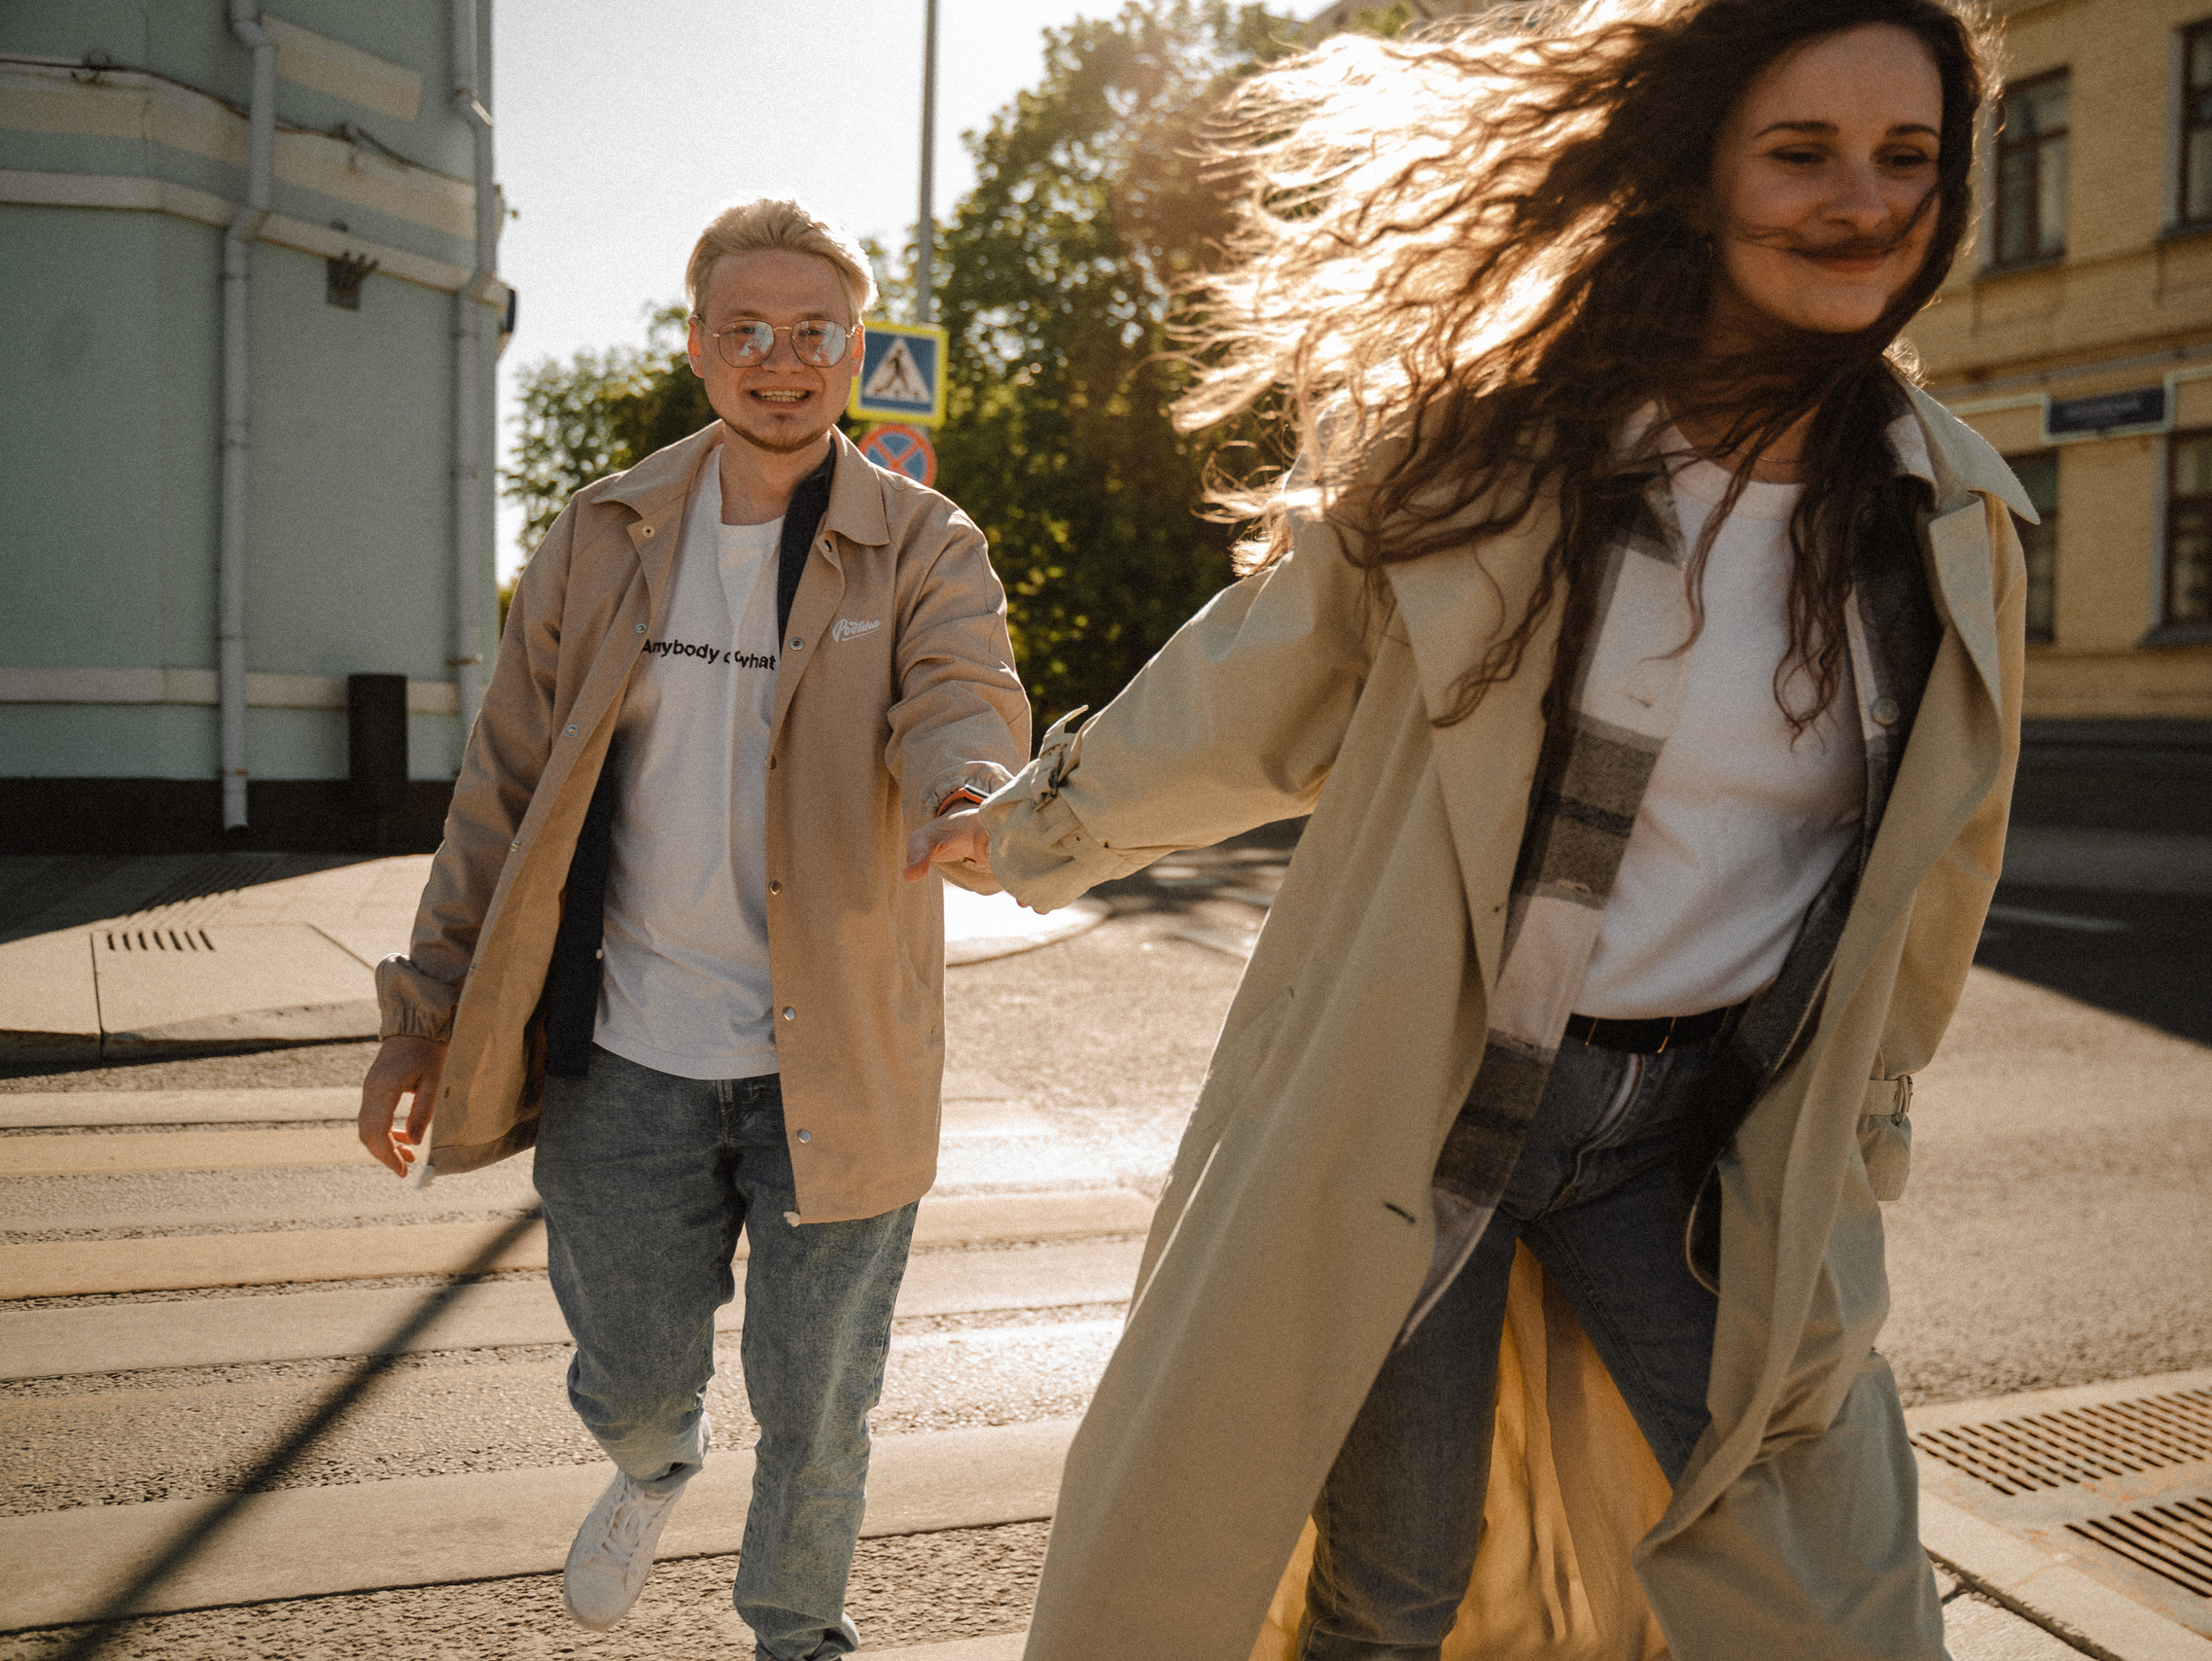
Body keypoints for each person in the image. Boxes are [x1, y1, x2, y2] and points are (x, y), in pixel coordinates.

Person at [925, 1, 2026, 1655]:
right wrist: (1034, 829)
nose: (1862, 202)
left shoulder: (1948, 515)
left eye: (1906, 157)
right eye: (1802, 153)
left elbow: (1935, 881)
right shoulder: (1504, 456)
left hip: (1702, 1149)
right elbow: (1256, 683)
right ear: (1700, 177)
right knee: (1394, 1591)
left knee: (1835, 1597)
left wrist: (1865, 1132)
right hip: (1429, 1111)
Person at [357, 199, 1029, 1659]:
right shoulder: (606, 532)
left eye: (813, 332)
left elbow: (962, 689)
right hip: (624, 1051)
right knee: (637, 1382)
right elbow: (502, 786)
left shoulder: (921, 540)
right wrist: (425, 1015)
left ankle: (798, 1632)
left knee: (819, 1405)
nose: (781, 361)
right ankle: (655, 1465)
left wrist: (969, 787)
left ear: (854, 349)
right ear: (698, 347)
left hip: (838, 1054)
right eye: (747, 331)